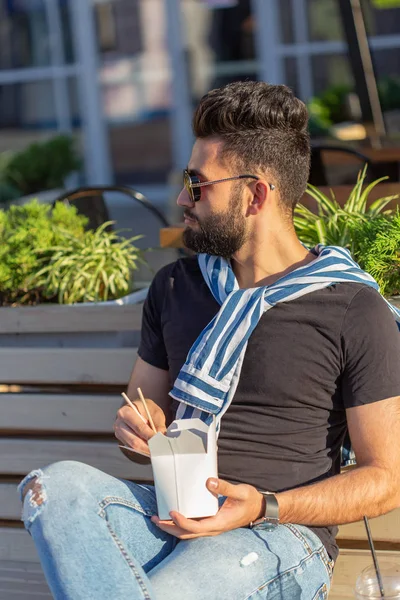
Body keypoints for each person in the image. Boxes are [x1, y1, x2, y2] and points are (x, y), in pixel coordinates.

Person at [19, 82, 400, 600]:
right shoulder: (175, 288)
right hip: (170, 516)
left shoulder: (352, 308)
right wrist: (138, 428)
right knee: (54, 488)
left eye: (198, 185)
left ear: (256, 194)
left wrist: (266, 505)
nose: (181, 199)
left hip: (279, 536)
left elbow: (385, 480)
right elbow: (143, 411)